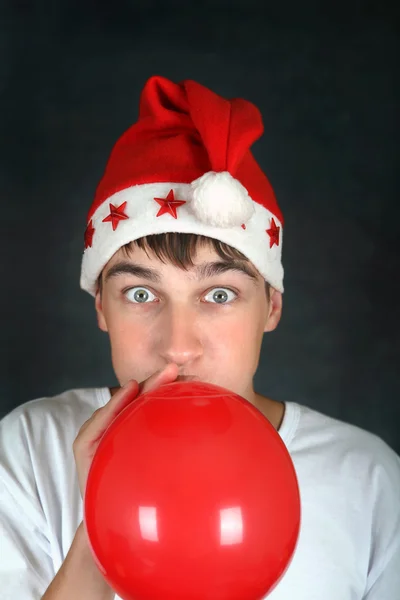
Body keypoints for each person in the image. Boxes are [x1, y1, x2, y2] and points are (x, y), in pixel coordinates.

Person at [0, 75, 399, 600]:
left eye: (219, 295)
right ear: (101, 306)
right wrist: (99, 527)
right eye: (141, 295)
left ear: (271, 307)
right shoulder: (29, 449)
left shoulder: (371, 481)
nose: (178, 347)